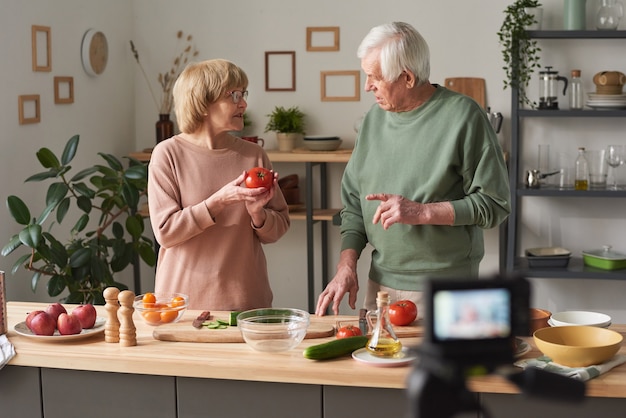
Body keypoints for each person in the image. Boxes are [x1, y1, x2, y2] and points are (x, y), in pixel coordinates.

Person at [315, 22, 510, 316]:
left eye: (375, 78)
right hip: (379, 288)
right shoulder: (372, 121)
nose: (367, 86)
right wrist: (346, 266)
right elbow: (355, 207)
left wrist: (422, 212)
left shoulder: (463, 116)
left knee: (448, 365)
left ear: (407, 77)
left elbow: (495, 204)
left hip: (446, 291)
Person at [148, 59, 290, 311]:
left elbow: (278, 228)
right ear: (202, 103)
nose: (243, 103)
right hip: (181, 306)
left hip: (246, 303)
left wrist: (258, 215)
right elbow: (166, 232)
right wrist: (218, 201)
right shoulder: (167, 154)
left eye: (243, 94)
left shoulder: (254, 155)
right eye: (233, 95)